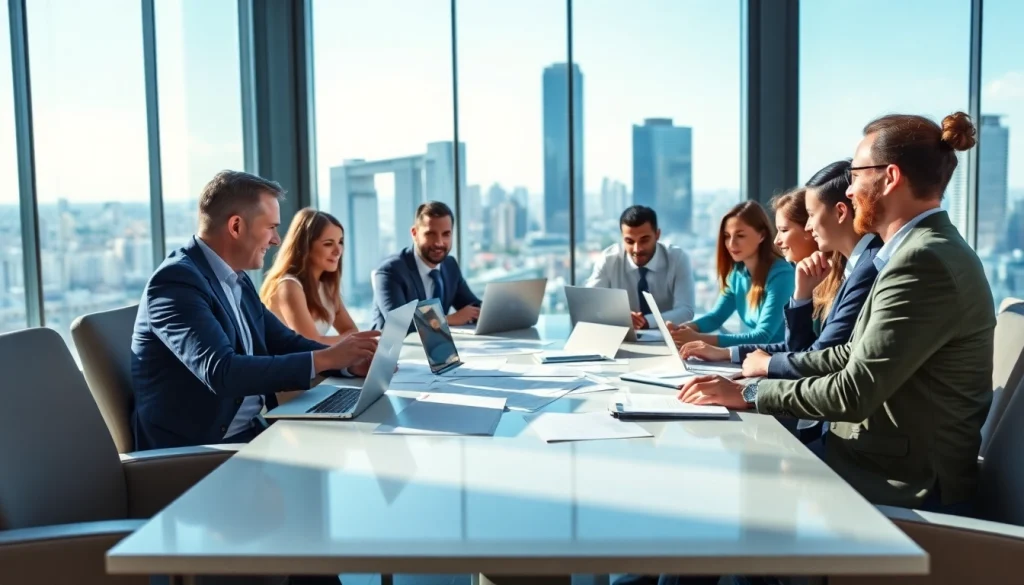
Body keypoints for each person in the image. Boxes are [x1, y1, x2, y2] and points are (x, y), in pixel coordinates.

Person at [678, 112, 994, 516]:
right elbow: (850, 355)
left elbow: (853, 393)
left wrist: (748, 393)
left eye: (857, 174)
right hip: (874, 457)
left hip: (901, 482)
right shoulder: (913, 252)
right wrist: (752, 378)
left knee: (725, 489)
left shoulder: (923, 261)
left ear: (890, 178)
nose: (849, 189)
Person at [131, 170, 381, 452]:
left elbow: (284, 342)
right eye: (271, 227)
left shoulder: (237, 279)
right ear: (236, 226)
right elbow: (222, 371)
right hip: (201, 451)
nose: (276, 240)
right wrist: (326, 358)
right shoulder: (176, 282)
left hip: (253, 432)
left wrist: (347, 363)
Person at [681, 160, 882, 381]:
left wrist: (759, 375)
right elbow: (802, 349)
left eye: (785, 230)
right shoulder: (839, 272)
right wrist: (726, 352)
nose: (809, 226)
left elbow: (819, 358)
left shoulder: (862, 271)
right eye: (727, 237)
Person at [668, 201, 795, 348]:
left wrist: (698, 339)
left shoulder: (782, 275)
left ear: (762, 235)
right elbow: (716, 317)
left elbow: (763, 336)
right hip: (752, 354)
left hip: (778, 357)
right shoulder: (737, 273)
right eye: (727, 236)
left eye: (740, 236)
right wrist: (682, 330)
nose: (731, 243)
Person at [372, 201, 481, 331]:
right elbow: (399, 325)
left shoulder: (449, 265)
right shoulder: (391, 271)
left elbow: (473, 307)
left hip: (437, 343)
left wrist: (492, 311)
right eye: (430, 234)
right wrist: (447, 320)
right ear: (414, 233)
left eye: (446, 234)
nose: (439, 242)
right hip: (395, 344)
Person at [584, 205, 696, 329]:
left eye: (644, 240)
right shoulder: (609, 259)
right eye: (629, 241)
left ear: (657, 235)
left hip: (667, 335)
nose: (637, 249)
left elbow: (686, 311)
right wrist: (619, 317)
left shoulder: (677, 259)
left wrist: (646, 321)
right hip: (622, 335)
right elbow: (589, 304)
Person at [260, 208, 358, 343]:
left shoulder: (327, 287)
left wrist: (350, 340)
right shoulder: (288, 286)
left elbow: (353, 331)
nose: (338, 251)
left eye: (340, 242)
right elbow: (310, 344)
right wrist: (350, 341)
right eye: (328, 244)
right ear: (305, 247)